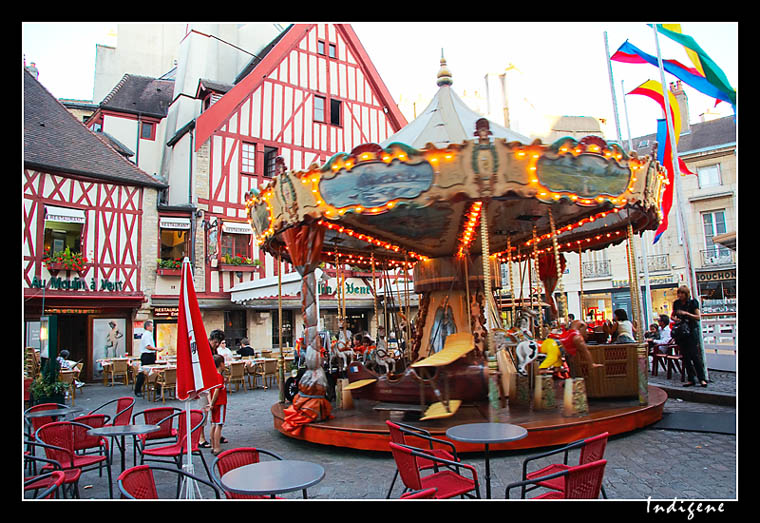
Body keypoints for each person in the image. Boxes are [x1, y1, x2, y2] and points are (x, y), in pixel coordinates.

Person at [671, 285, 707, 388]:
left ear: (686, 294)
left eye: (682, 293)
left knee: (694, 356)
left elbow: (698, 317)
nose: (680, 295)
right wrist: (675, 319)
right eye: (679, 293)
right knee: (685, 357)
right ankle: (691, 378)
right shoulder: (676, 303)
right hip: (681, 332)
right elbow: (672, 315)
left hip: (690, 330)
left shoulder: (692, 302)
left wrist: (686, 313)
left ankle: (702, 378)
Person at [199, 329, 227, 448]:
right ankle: (200, 438)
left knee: (214, 415)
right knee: (203, 410)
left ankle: (216, 437)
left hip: (211, 382)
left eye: (218, 343)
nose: (216, 345)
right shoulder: (204, 348)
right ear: (211, 339)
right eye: (215, 342)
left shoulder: (213, 349)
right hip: (204, 383)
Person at [205, 354, 228, 456]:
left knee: (213, 424)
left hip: (214, 404)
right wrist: (213, 403)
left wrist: (210, 403)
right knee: (219, 425)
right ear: (221, 364)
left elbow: (209, 391)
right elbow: (217, 391)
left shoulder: (211, 376)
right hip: (220, 402)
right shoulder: (219, 377)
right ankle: (217, 447)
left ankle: (213, 445)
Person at [134, 320, 161, 397]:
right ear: (148, 326)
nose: (153, 327)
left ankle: (158, 388)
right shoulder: (146, 335)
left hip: (150, 355)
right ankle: (137, 390)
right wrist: (157, 349)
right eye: (151, 326)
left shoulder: (149, 334)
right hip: (147, 355)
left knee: (155, 371)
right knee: (143, 373)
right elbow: (148, 346)